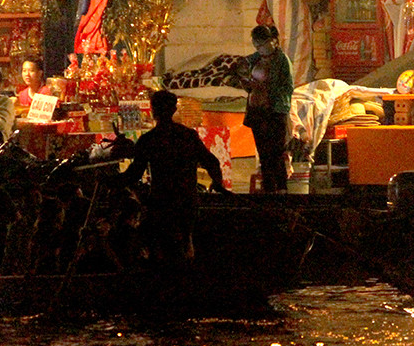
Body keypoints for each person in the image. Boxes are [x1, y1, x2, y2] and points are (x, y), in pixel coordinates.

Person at [114, 90, 229, 266]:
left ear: (153, 111)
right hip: (187, 200)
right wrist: (217, 182)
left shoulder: (149, 139)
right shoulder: (187, 136)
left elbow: (134, 174)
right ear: (174, 109)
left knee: (159, 250)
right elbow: (211, 161)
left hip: (162, 203)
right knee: (186, 245)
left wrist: (112, 181)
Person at [240, 25, 294, 193]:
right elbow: (242, 68)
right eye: (256, 45)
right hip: (257, 111)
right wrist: (247, 84)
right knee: (263, 154)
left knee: (276, 152)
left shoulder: (282, 60)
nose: (259, 48)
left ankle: (282, 189)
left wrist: (266, 88)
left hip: (275, 111)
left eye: (262, 44)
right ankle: (269, 190)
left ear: (272, 41)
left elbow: (288, 88)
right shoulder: (254, 59)